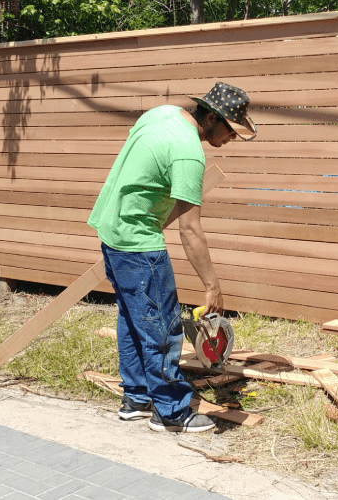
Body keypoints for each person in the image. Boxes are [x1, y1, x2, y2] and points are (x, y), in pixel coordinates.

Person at [88, 82, 256, 433]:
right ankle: (171, 412)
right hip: (139, 244)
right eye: (230, 129)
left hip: (112, 230)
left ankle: (136, 398)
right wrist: (212, 286)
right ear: (210, 118)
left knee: (134, 319)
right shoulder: (189, 152)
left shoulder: (161, 115)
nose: (233, 138)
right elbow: (190, 230)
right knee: (162, 328)